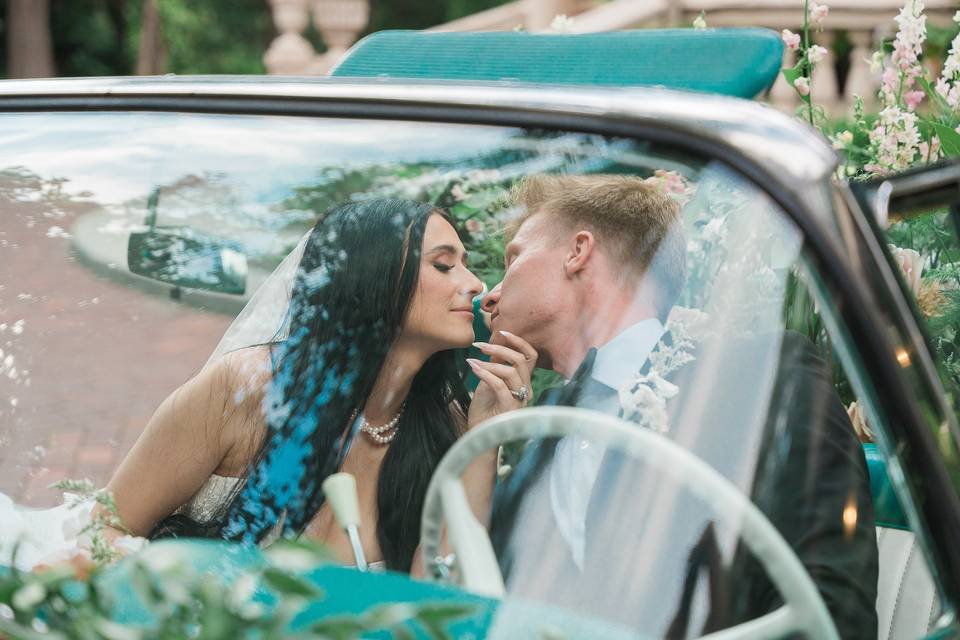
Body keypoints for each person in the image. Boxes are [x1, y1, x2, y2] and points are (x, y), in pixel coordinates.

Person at [0, 198, 532, 575]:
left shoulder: (445, 422)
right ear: (374, 280)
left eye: (465, 263)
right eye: (445, 264)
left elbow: (435, 602)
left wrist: (482, 438)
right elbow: (106, 532)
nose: (475, 283)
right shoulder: (247, 390)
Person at [479, 174, 879, 638]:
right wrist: (484, 437)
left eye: (514, 259)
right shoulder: (530, 426)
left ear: (578, 251)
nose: (489, 295)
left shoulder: (760, 377)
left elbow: (832, 606)